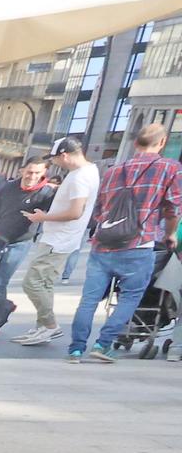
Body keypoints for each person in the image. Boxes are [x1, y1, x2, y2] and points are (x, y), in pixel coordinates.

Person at [65, 122, 182, 363]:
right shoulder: (170, 168)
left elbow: (99, 210)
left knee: (89, 298)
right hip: (138, 244)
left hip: (103, 243)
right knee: (130, 296)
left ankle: (76, 348)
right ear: (162, 143)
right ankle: (103, 343)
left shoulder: (114, 170)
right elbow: (173, 209)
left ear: (135, 143)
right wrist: (169, 234)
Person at [11, 138, 99, 347]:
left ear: (65, 155)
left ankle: (50, 326)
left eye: (56, 159)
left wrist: (44, 218)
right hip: (62, 238)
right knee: (45, 283)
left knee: (32, 282)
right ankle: (43, 326)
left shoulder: (79, 178)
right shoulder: (89, 171)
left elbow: (75, 211)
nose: (56, 164)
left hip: (58, 239)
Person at [0, 158, 52, 333]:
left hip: (20, 242)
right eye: (29, 172)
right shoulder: (8, 188)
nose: (32, 176)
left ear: (43, 174)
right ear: (22, 171)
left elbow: (54, 213)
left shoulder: (46, 193)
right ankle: (5, 305)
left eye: (37, 173)